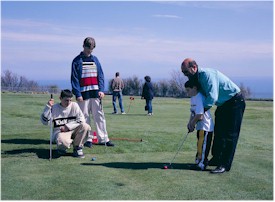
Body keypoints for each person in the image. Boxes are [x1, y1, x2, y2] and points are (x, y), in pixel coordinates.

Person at [181, 58, 246, 174]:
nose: (185, 75)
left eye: (186, 72)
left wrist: (198, 115)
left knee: (230, 135)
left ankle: (225, 164)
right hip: (223, 104)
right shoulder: (197, 78)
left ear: (194, 67)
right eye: (183, 73)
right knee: (219, 133)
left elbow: (212, 98)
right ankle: (216, 159)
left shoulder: (206, 75)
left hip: (235, 102)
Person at [71, 37, 114, 147]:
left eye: (91, 49)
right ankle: (87, 139)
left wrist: (101, 90)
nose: (89, 51)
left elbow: (100, 75)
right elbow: (74, 79)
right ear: (83, 46)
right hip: (83, 94)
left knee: (99, 116)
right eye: (88, 48)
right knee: (84, 117)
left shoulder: (95, 60)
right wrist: (78, 93)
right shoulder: (76, 61)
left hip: (96, 93)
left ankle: (103, 138)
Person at [40, 89, 91, 158]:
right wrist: (48, 107)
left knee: (86, 126)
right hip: (60, 132)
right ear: (60, 98)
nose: (69, 102)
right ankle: (61, 148)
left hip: (73, 130)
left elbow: (81, 120)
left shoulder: (74, 105)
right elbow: (45, 122)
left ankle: (78, 148)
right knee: (63, 142)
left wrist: (67, 127)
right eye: (66, 100)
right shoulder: (54, 108)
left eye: (70, 100)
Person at [185, 79, 214, 171]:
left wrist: (192, 124)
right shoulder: (193, 98)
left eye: (188, 90)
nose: (187, 93)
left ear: (194, 88)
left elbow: (200, 115)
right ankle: (198, 162)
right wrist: (190, 123)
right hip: (200, 127)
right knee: (199, 144)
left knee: (203, 146)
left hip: (206, 126)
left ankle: (202, 164)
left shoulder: (199, 97)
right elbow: (193, 112)